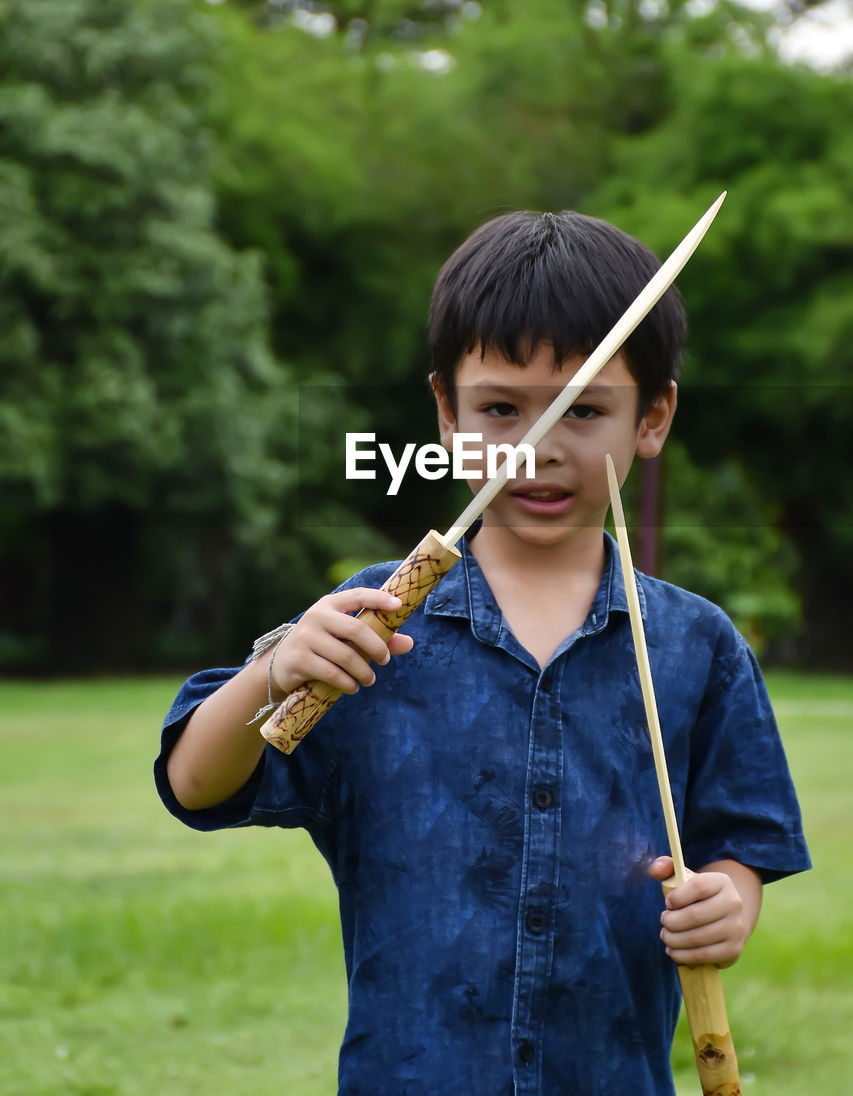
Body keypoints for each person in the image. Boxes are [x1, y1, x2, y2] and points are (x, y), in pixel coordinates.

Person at [156, 209, 810, 1096]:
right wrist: (273, 671)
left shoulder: (697, 645)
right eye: (501, 408)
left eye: (583, 409)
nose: (535, 450)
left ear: (652, 417)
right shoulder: (368, 625)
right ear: (444, 411)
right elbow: (198, 782)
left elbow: (738, 843)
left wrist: (726, 908)